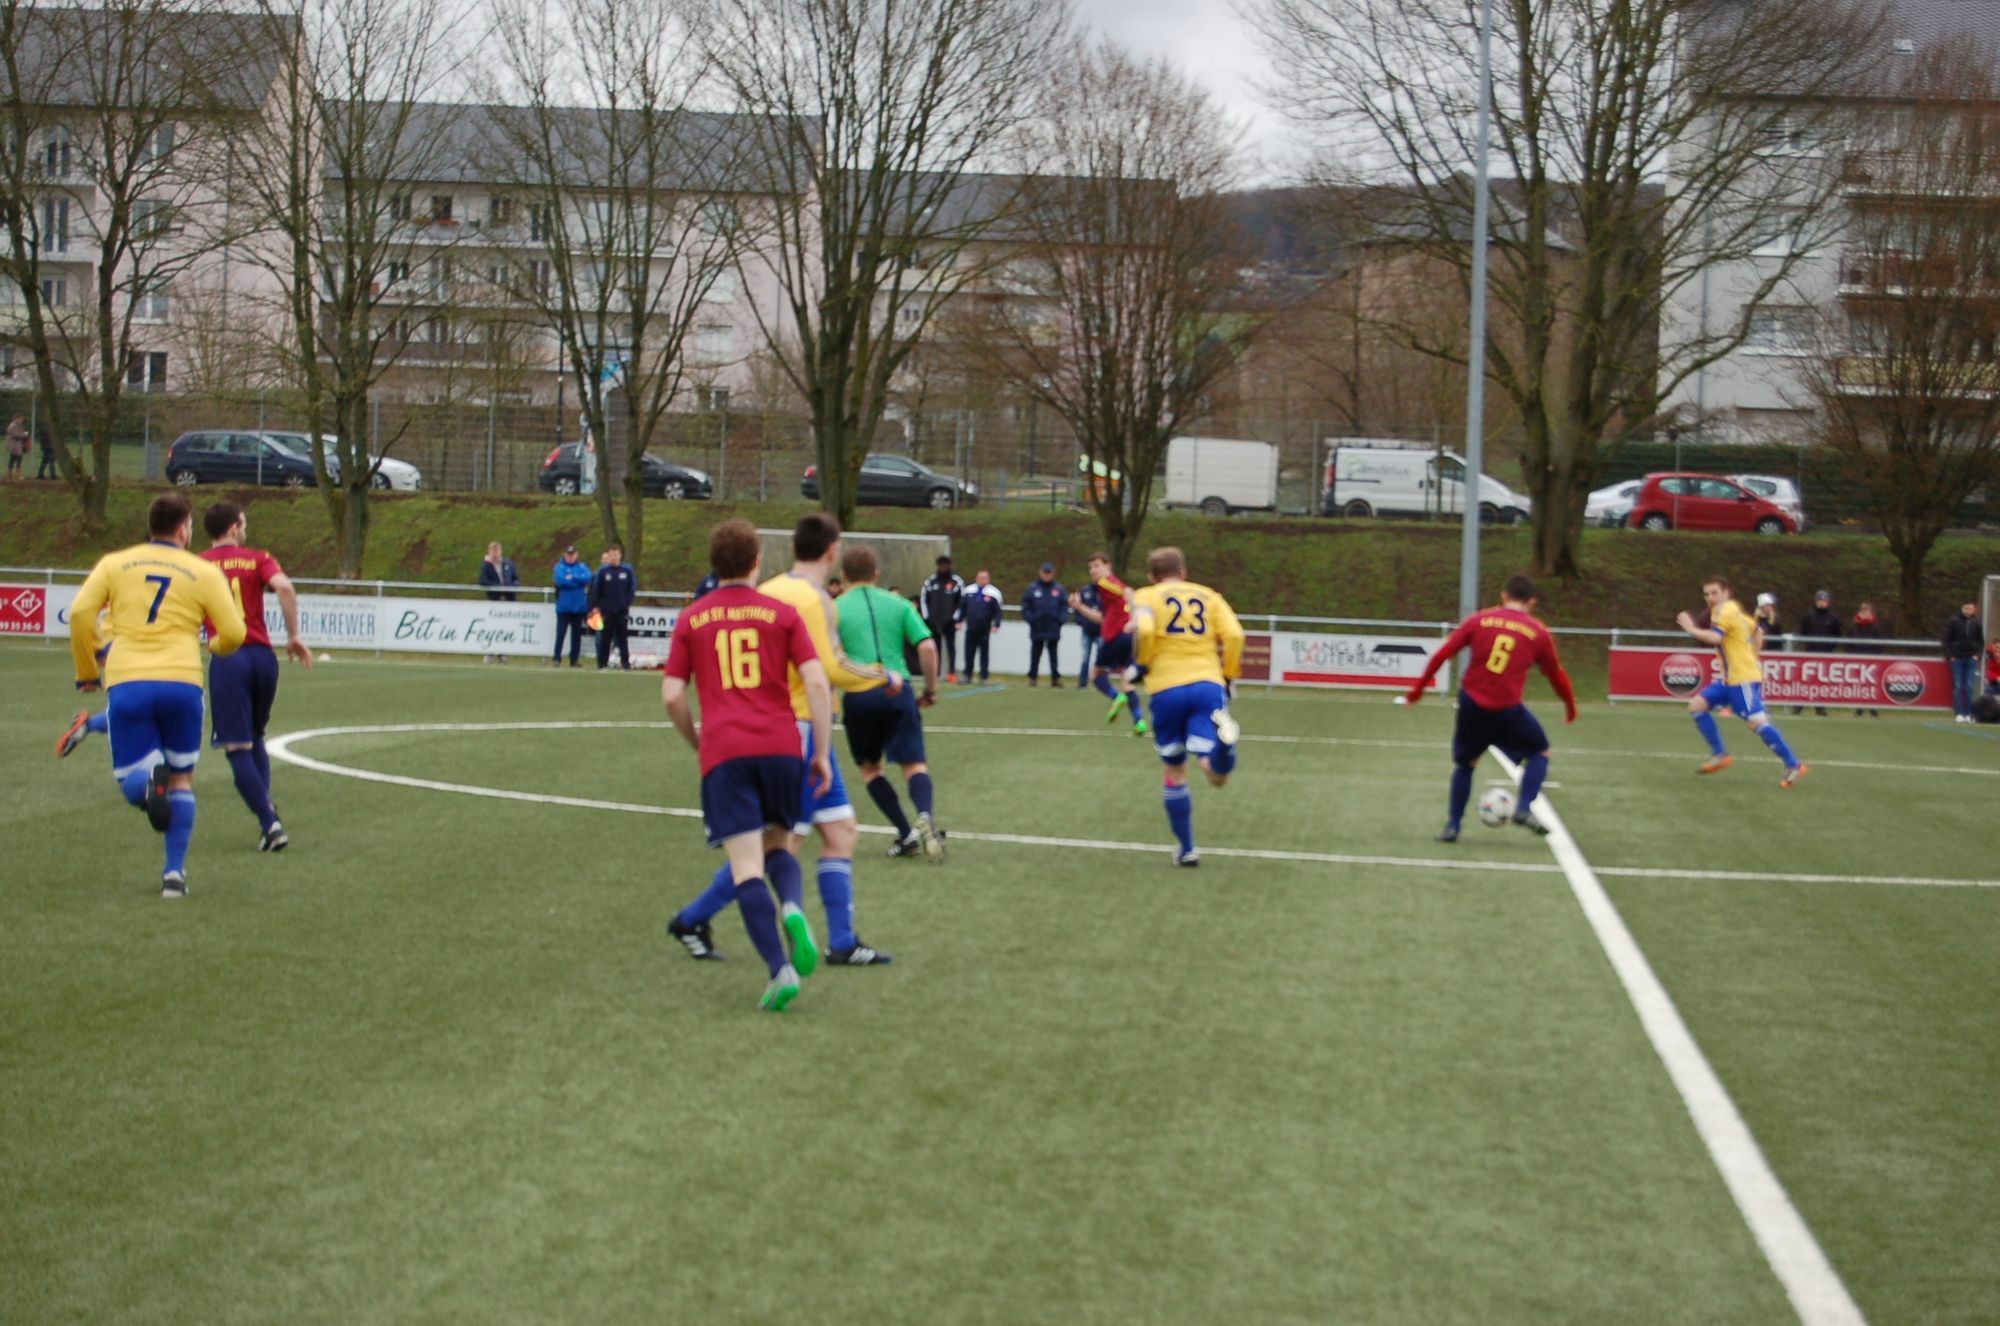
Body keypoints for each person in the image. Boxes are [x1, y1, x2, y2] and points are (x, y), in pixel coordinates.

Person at [667, 513, 903, 966]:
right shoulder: (814, 600)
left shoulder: (772, 590)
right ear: (832, 551)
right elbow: (828, 670)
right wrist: (882, 676)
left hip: (779, 728)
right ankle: (696, 918)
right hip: (794, 731)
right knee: (778, 846)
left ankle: (842, 941)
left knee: (839, 831)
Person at [660, 518, 833, 1013]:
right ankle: (793, 905)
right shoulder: (781, 614)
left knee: (745, 865)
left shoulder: (692, 618)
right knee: (779, 844)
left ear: (713, 565)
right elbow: (816, 683)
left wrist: (698, 741)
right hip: (781, 746)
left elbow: (672, 694)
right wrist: (820, 752)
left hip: (727, 752)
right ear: (757, 561)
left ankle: (780, 970)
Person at [66, 492, 247, 897]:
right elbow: (234, 632)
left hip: (129, 680)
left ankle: (148, 786)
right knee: (182, 779)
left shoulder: (114, 564)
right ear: (183, 528)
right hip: (182, 682)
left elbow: (79, 614)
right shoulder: (202, 571)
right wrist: (215, 646)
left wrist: (88, 671)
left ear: (152, 526)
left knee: (131, 779)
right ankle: (174, 875)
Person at [1403, 574, 1578, 841]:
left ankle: (1452, 826)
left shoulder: (1479, 620)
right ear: (1531, 602)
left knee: (1466, 764)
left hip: (1472, 705)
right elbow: (1556, 675)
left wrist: (1417, 690)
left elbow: (1443, 654)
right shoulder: (1538, 632)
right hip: (1507, 709)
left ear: (1504, 595)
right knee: (1540, 752)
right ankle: (1523, 808)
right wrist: (1570, 706)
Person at [198, 501, 313, 851]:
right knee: (255, 735)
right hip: (263, 658)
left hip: (228, 658)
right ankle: (268, 815)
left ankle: (270, 824)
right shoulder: (257, 558)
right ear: (233, 527)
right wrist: (294, 636)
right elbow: (285, 588)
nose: (245, 530)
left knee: (237, 747)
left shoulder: (198, 564)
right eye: (244, 524)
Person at [1131, 547, 1245, 866]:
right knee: (1215, 774)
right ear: (1183, 573)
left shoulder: (1145, 596)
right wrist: (1228, 675)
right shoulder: (1209, 596)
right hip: (1207, 684)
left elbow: (1145, 630)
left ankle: (1187, 848)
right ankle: (1225, 748)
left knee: (1174, 768)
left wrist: (1142, 664)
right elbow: (1235, 635)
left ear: (1151, 577)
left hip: (1166, 688)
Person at [835, 544, 946, 863]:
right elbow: (927, 647)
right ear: (876, 573)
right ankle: (924, 814)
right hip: (899, 689)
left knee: (871, 768)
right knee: (914, 764)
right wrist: (930, 689)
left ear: (843, 575)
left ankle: (905, 832)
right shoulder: (898, 604)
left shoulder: (834, 608)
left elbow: (830, 656)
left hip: (859, 694)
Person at [1676, 575, 1807, 786]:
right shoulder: (1729, 612)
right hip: (1729, 679)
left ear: (1726, 592)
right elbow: (1757, 631)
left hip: (1742, 680)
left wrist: (1691, 629)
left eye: (1714, 593)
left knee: (1757, 723)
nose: (1710, 598)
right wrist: (1752, 656)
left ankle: (1794, 765)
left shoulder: (1727, 610)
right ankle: (1720, 754)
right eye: (1706, 594)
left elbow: (1716, 638)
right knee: (1697, 705)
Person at [1071, 552, 1148, 735]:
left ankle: (1116, 697)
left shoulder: (1105, 583)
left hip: (1115, 637)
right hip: (1128, 638)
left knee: (1096, 674)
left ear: (1108, 566)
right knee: (1126, 679)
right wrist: (1079, 607)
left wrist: (1134, 612)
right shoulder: (1107, 592)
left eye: (1097, 566)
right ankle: (1139, 721)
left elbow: (1128, 592)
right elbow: (1102, 618)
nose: (1093, 570)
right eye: (1090, 567)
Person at [1795, 589, 1842, 717]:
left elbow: (1837, 635)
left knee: (1822, 682)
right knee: (1805, 681)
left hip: (1825, 654)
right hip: (1809, 654)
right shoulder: (1809, 616)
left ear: (1828, 602)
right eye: (1819, 600)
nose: (1822, 603)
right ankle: (1798, 706)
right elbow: (1803, 632)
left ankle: (1820, 707)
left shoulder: (1833, 618)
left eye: (1824, 600)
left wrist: (1830, 647)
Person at [920, 555, 966, 683]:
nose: (943, 567)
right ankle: (935, 673)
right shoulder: (930, 582)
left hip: (950, 622)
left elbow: (962, 601)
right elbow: (924, 600)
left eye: (945, 564)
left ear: (950, 566)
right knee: (934, 648)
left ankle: (951, 673)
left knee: (951, 647)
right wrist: (927, 618)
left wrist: (955, 618)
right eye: (941, 564)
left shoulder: (956, 582)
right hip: (933, 622)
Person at [591, 542, 636, 670]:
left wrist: (626, 603)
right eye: (611, 555)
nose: (613, 558)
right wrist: (598, 606)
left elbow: (631, 589)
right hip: (607, 611)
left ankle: (625, 663)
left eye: (616, 555)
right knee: (605, 638)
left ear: (620, 555)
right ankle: (602, 664)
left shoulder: (627, 570)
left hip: (621, 611)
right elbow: (597, 590)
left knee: (622, 638)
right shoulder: (603, 571)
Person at [1022, 562, 1067, 686]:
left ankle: (1055, 678)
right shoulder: (1032, 588)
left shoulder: (1059, 589)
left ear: (1053, 573)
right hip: (1037, 626)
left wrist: (1061, 620)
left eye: (1049, 573)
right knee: (1035, 653)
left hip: (1053, 627)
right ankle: (1032, 677)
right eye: (1045, 573)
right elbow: (1026, 606)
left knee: (1053, 654)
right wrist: (1031, 619)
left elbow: (1064, 606)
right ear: (1040, 573)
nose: (1047, 575)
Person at [1942, 601, 1983, 723]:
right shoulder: (1953, 621)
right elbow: (1946, 640)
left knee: (1969, 686)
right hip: (1957, 658)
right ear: (1962, 608)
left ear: (1974, 610)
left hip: (1971, 658)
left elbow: (1981, 642)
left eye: (1970, 609)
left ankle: (1968, 713)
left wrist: (1977, 655)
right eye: (1966, 608)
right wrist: (1951, 656)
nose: (1968, 611)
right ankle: (1958, 713)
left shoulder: (1976, 623)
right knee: (1958, 686)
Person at [478, 542, 519, 663]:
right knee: (493, 626)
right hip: (495, 600)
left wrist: (512, 586)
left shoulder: (508, 563)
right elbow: (483, 581)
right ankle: (490, 651)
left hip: (508, 600)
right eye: (493, 551)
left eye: (497, 550)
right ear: (489, 551)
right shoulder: (486, 566)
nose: (495, 553)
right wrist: (498, 587)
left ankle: (503, 653)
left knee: (506, 626)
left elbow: (516, 578)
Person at [551, 544, 592, 667]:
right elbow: (560, 581)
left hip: (578, 607)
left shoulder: (582, 566)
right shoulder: (560, 567)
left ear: (576, 555)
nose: (570, 557)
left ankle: (574, 659)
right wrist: (577, 581)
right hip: (564, 607)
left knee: (576, 635)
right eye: (568, 554)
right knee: (561, 634)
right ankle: (557, 658)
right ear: (565, 555)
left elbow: (587, 578)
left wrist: (572, 578)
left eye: (572, 554)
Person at [962, 569, 1004, 683]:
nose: (982, 580)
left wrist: (996, 624)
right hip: (971, 627)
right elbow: (962, 607)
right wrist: (959, 621)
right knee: (969, 653)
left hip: (985, 628)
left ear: (988, 579)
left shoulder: (994, 593)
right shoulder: (968, 591)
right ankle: (967, 675)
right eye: (980, 578)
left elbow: (998, 611)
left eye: (984, 578)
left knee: (984, 653)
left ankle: (983, 676)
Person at [1847, 601, 1885, 717]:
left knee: (1871, 684)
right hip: (1857, 659)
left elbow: (1880, 644)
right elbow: (1848, 643)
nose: (1865, 613)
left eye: (1867, 610)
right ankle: (1859, 708)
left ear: (1870, 612)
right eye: (1863, 610)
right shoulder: (1853, 627)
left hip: (1871, 660)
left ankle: (1873, 707)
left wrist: (1875, 656)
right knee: (1859, 684)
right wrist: (1851, 655)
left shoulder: (1875, 627)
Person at [1072, 578, 1101, 688]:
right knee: (1085, 657)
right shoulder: (1084, 591)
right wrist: (1081, 622)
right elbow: (1077, 608)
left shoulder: (1106, 592)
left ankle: (1101, 683)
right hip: (1087, 630)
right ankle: (1082, 682)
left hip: (1101, 631)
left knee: (1102, 659)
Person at [5, 415, 26, 479]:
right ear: (16, 419)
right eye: (20, 419)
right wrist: (25, 434)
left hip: (15, 445)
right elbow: (17, 435)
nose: (21, 421)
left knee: (13, 459)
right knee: (18, 458)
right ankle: (17, 475)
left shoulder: (16, 425)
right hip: (14, 445)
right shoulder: (13, 426)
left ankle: (10, 474)